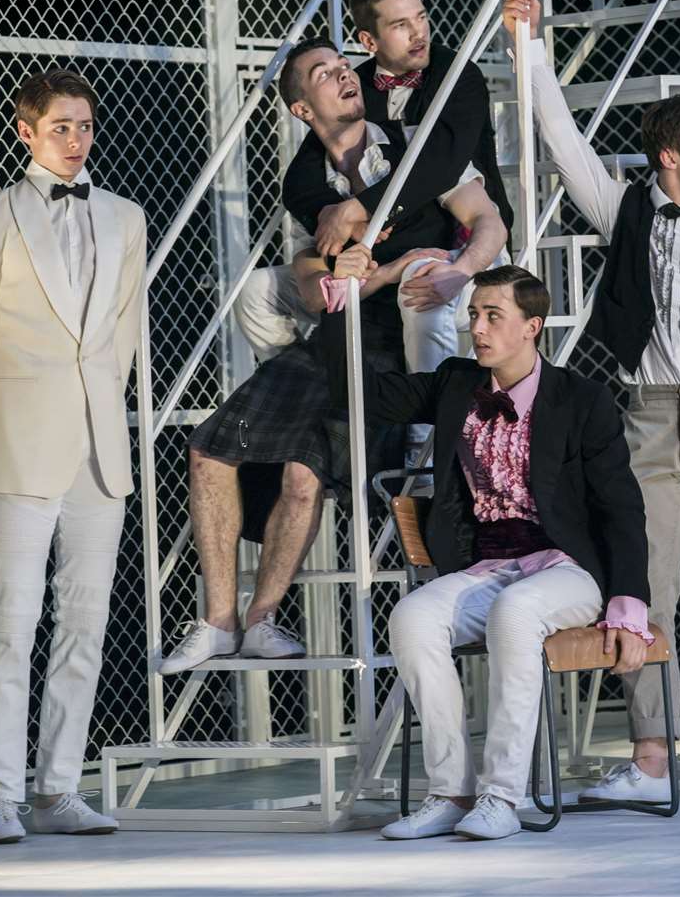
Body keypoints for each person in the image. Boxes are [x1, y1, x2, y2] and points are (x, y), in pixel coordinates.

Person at [503, 0, 680, 805]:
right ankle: (652, 755)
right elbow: (559, 136)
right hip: (645, 416)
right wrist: (528, 45)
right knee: (644, 587)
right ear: (669, 154)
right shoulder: (622, 207)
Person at [158, 39, 506, 674]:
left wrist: (447, 268)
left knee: (303, 470)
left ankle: (262, 616)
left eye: (345, 67)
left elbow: (487, 218)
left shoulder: (411, 144)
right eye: (325, 74)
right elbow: (320, 287)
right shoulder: (305, 179)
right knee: (208, 449)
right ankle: (217, 621)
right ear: (300, 108)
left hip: (395, 343)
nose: (345, 76)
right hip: (334, 334)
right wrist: (365, 271)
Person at [320, 262, 650, 841]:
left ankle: (503, 796)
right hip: (490, 566)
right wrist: (337, 309)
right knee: (413, 617)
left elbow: (621, 507)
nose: (478, 328)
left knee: (516, 612)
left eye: (494, 316)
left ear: (532, 326)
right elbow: (361, 391)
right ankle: (451, 790)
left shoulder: (582, 400)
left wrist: (628, 602)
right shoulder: (455, 383)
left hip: (567, 569)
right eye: (474, 314)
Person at [0, 69, 145, 843]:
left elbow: (123, 330)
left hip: (99, 446)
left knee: (85, 624)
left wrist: (105, 406)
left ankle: (59, 787)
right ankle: (2, 793)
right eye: (61, 127)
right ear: (25, 132)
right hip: (21, 443)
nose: (75, 140)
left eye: (85, 126)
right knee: (13, 620)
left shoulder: (125, 216)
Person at [284, 0, 515, 259]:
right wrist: (331, 213)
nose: (419, 33)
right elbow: (305, 169)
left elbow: (442, 163)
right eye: (400, 25)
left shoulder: (457, 73)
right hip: (383, 246)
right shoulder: (355, 85)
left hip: (467, 228)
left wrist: (359, 208)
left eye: (421, 17)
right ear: (369, 42)